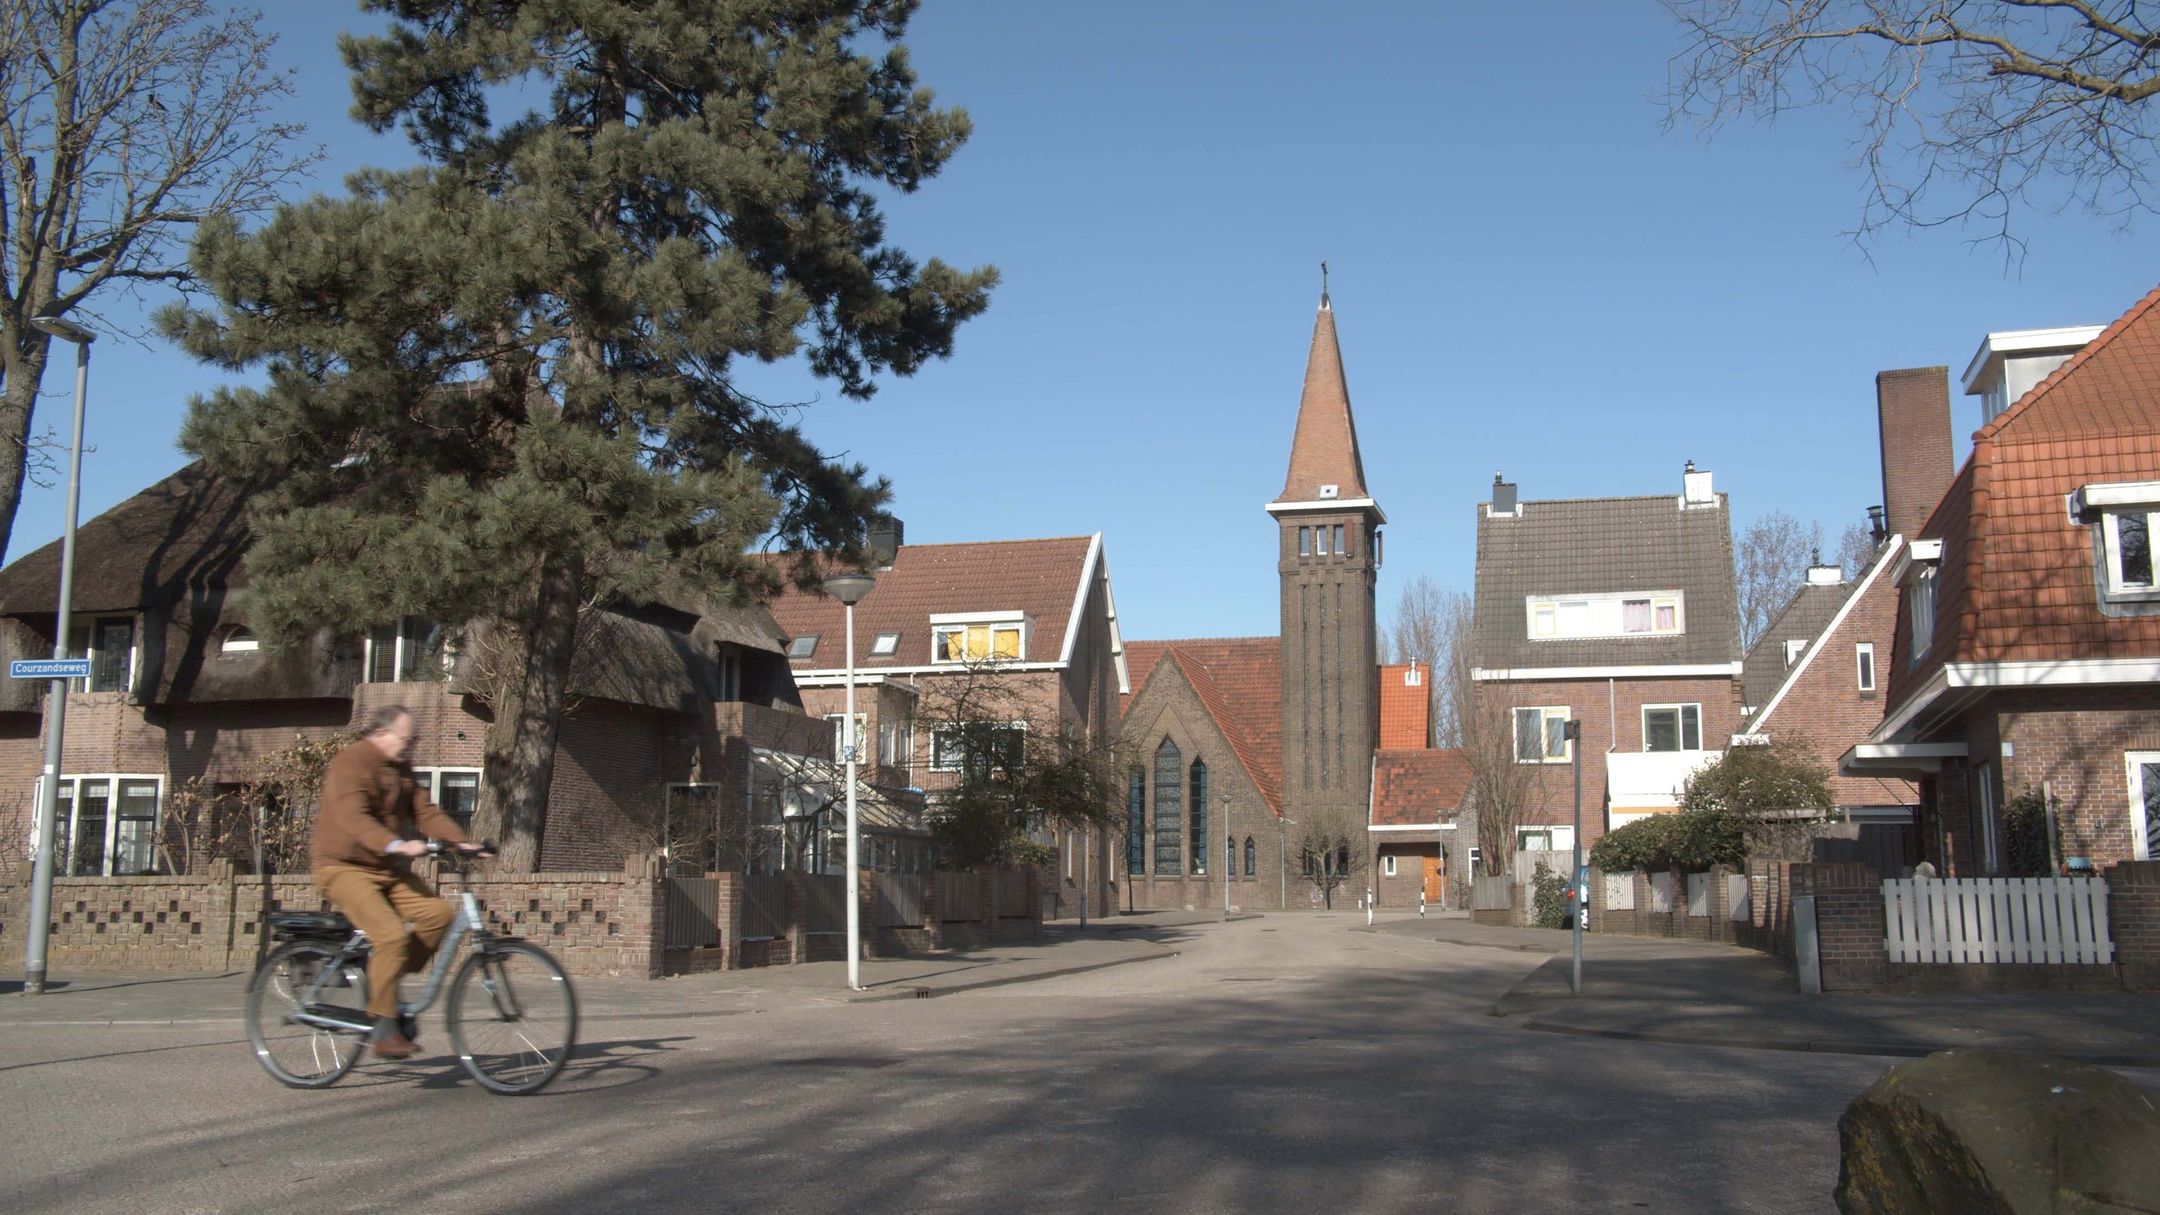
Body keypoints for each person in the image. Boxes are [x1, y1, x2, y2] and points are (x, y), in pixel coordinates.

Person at [310, 705, 482, 1058]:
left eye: (413, 740)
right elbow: (352, 816)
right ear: (381, 733)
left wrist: (459, 842)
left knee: (438, 915)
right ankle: (384, 1028)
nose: (411, 746)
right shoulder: (351, 762)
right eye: (407, 739)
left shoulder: (400, 767)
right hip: (343, 866)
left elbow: (423, 811)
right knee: (390, 936)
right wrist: (396, 844)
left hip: (384, 868)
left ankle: (383, 981)